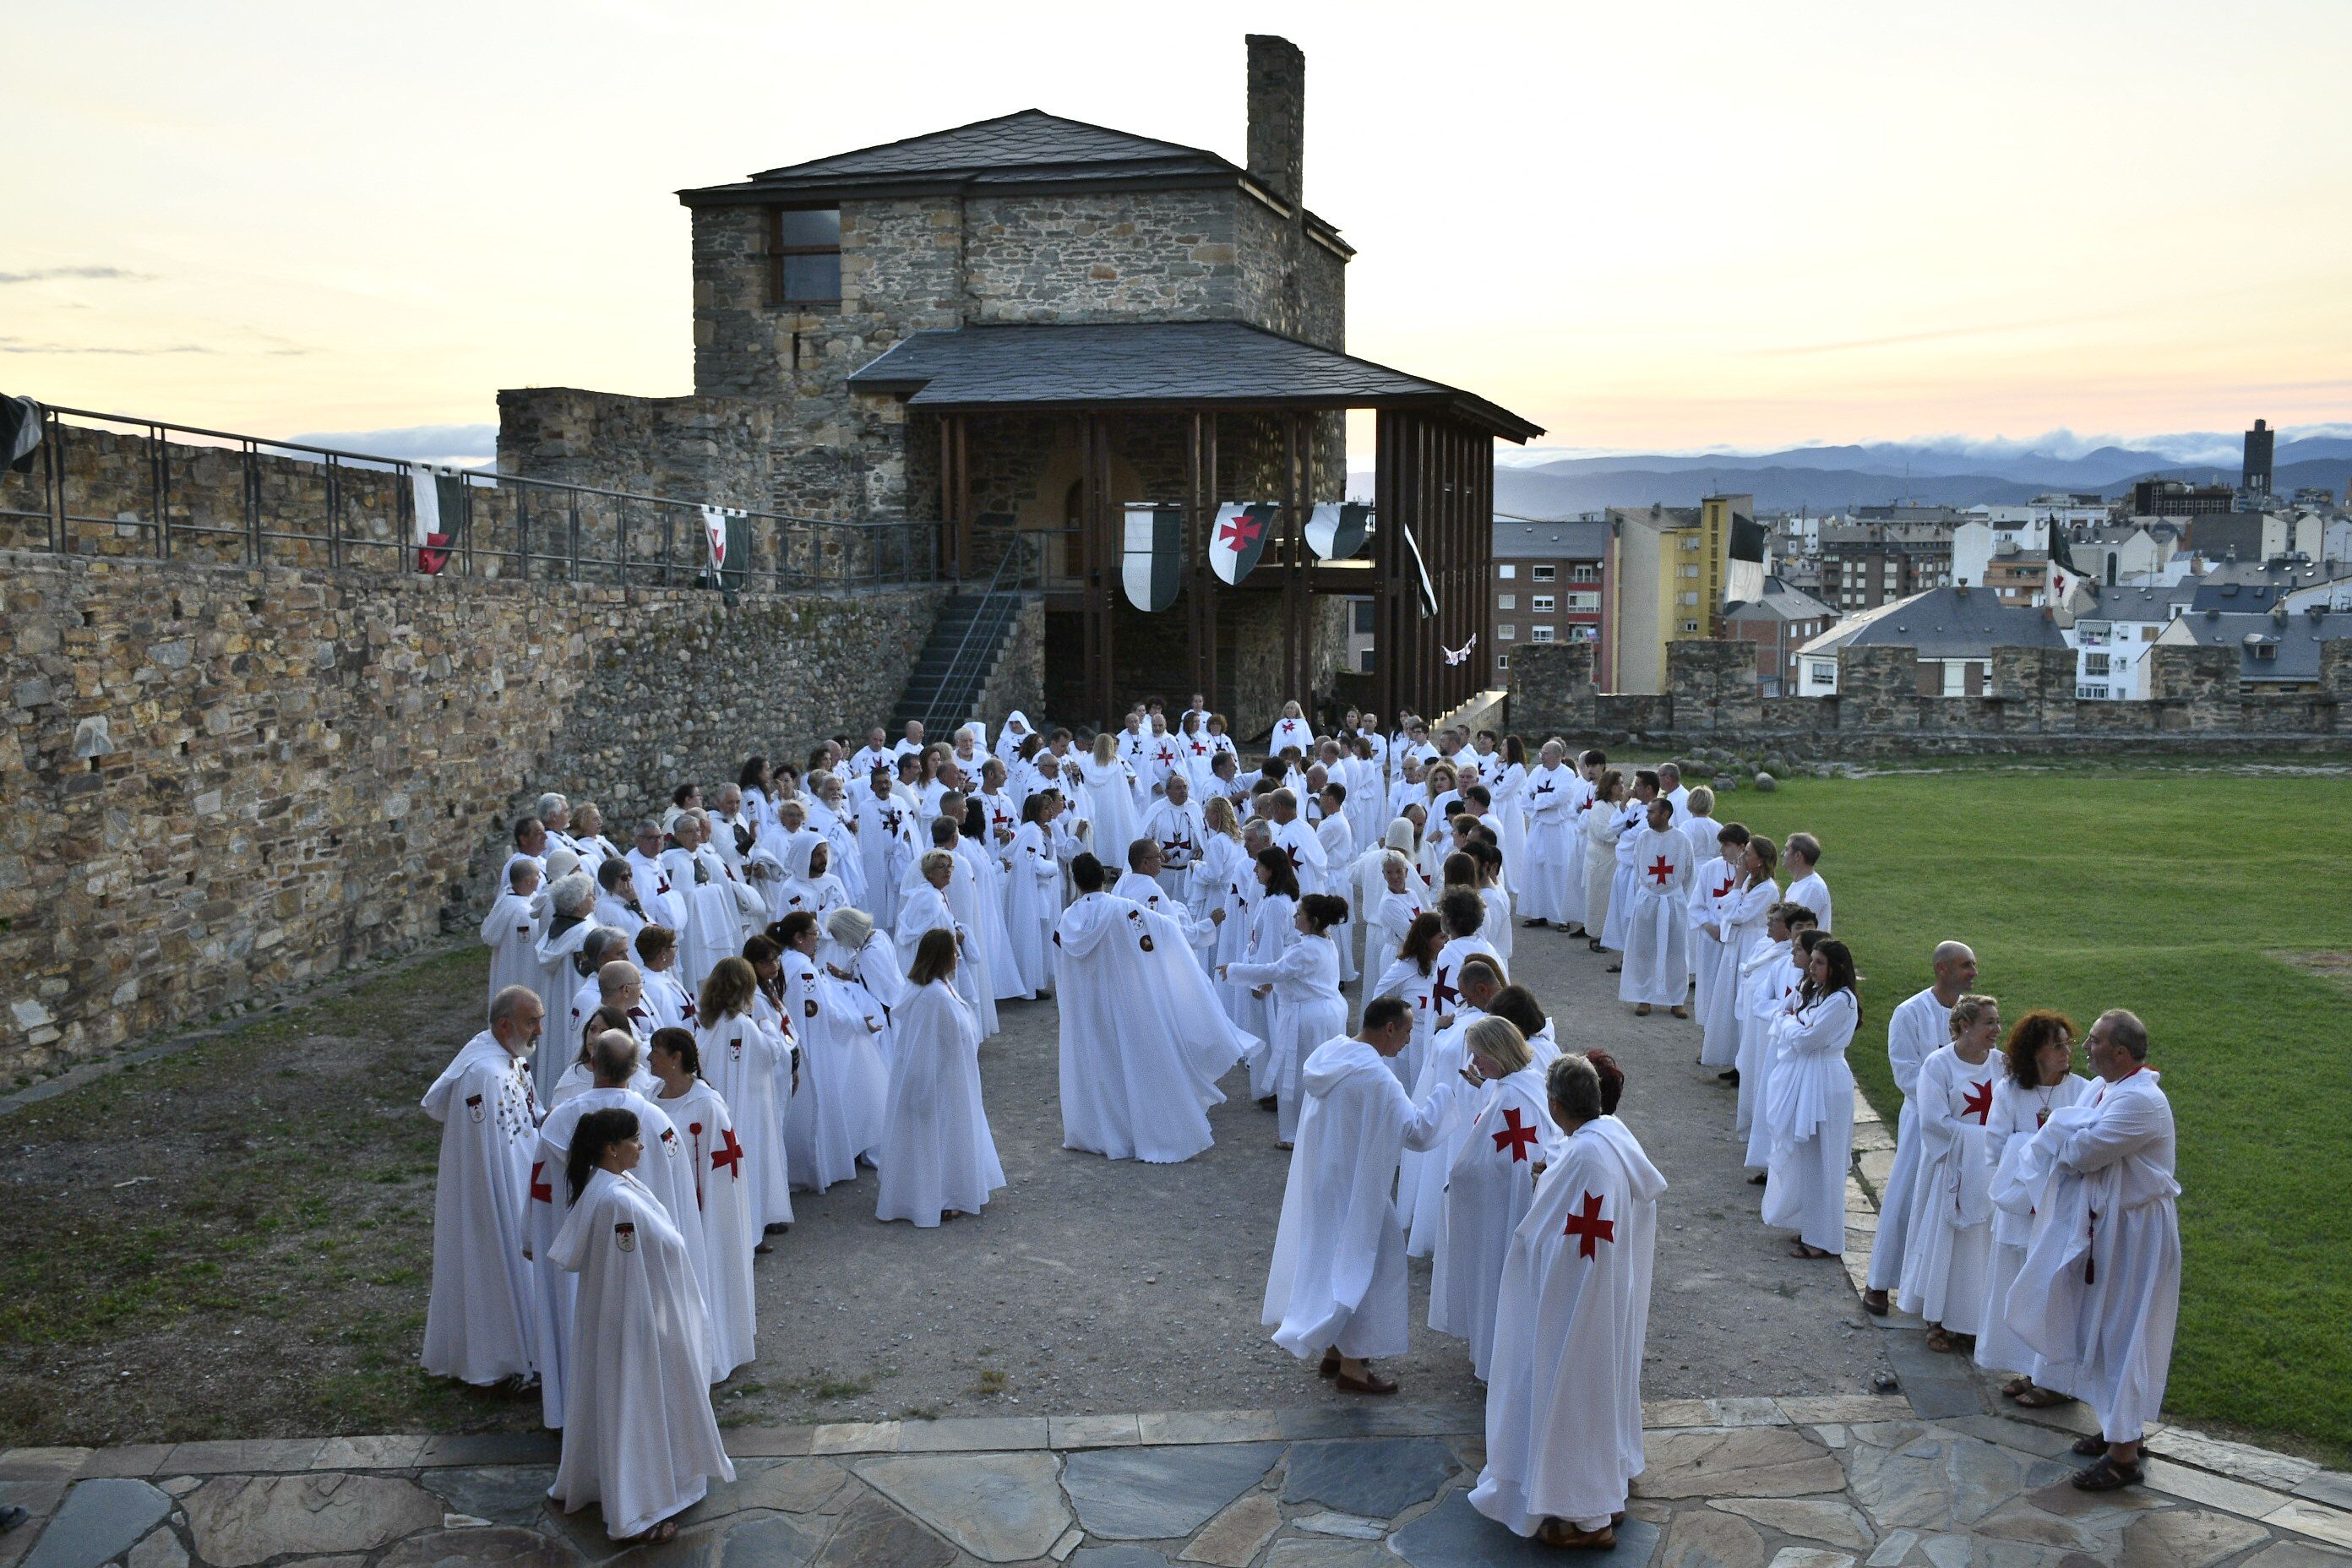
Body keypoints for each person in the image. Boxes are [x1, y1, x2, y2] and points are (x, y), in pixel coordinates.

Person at [1469, 1053, 1665, 1551]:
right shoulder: (1613, 1140)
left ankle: (1587, 1519)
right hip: (1600, 1294)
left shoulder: (1581, 1158)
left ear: (1556, 1107)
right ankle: (1602, 1497)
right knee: (1595, 1399)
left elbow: (1542, 1235)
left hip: (1573, 1302)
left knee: (1570, 1401)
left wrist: (1541, 1184)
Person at [545, 1108, 736, 1544]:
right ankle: (634, 1510)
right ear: (613, 1149)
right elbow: (627, 1269)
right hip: (633, 1320)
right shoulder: (616, 1202)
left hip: (630, 1316)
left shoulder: (614, 1186)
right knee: (633, 1406)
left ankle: (618, 1484)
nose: (642, 1145)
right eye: (635, 1139)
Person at [1260, 997, 1452, 1395]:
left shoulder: (1329, 1054)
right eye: (1407, 1030)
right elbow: (1418, 1131)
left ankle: (1333, 1348)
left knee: (1333, 1259)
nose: (1407, 1040)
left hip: (1325, 1179)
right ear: (1389, 1029)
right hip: (1358, 1187)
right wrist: (1449, 1092)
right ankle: (1353, 1366)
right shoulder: (1377, 1078)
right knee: (1369, 1265)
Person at [528, 1030, 701, 1429]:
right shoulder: (656, 1120)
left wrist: (530, 1236)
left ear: (594, 1061)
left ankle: (579, 1414)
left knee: (585, 1331)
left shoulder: (560, 1121)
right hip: (642, 1255)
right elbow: (679, 1191)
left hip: (577, 1256)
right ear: (635, 1067)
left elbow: (539, 1187)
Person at [1052, 854, 1233, 1163]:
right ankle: (1132, 1129)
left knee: (1098, 1063)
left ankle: (1097, 1131)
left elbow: (1061, 959)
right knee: (1130, 1062)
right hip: (1124, 1000)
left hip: (1088, 1003)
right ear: (1104, 878)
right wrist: (1190, 920)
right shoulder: (1127, 910)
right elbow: (1161, 938)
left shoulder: (1067, 921)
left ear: (1078, 883)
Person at [422, 985, 544, 1389]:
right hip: (497, 1193)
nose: (540, 1031)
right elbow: (485, 1152)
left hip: (517, 1180)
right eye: (532, 1022)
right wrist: (502, 1201)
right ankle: (501, 1356)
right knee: (494, 1265)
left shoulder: (506, 1058)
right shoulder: (483, 1076)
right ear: (505, 1024)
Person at [1428, 1016, 1560, 1380]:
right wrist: (1485, 1084)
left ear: (1499, 1053)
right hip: (1519, 1201)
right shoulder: (1530, 1083)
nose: (1475, 1064)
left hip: (1500, 1208)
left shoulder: (1508, 1097)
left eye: (1480, 1056)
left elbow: (1481, 1162)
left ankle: (1493, 1366)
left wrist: (1456, 1181)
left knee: (1494, 1282)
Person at [1976, 1009, 2088, 1401]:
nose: (2065, 1052)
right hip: (2021, 1208)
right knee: (2019, 1285)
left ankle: (2055, 1380)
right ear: (2034, 1051)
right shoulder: (2010, 1091)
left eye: (2067, 1044)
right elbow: (1994, 1148)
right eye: (2056, 1045)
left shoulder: (2082, 1091)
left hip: (2062, 1209)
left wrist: (2041, 1153)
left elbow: (2087, 1148)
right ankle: (2028, 1368)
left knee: (2053, 1289)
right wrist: (2032, 1152)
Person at [1863, 940, 1979, 1316]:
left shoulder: (1974, 1017)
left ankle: (1936, 1292)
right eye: (1966, 966)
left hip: (1964, 1126)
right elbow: (1906, 1072)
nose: (1974, 973)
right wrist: (1943, 1106)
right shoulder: (1910, 1013)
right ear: (1942, 969)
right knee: (1904, 1195)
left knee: (1950, 1202)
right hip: (1922, 1123)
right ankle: (1879, 1281)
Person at [645, 1026, 758, 1380]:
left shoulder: (707, 1106)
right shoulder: (650, 1098)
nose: (649, 1057)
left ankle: (712, 1355)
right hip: (663, 1208)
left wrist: (710, 1218)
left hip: (699, 1213)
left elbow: (725, 1165)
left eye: (656, 1051)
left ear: (676, 1058)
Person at [875, 928, 1006, 1227]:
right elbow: (926, 1046)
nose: (958, 957)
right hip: (940, 1083)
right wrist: (924, 1090)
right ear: (942, 956)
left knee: (948, 1136)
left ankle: (951, 1192)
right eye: (953, 952)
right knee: (942, 1137)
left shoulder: (938, 987)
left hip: (952, 1077)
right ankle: (944, 1196)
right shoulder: (934, 996)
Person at [1897, 994, 2004, 1352]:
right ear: (1964, 1026)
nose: (1997, 1029)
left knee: (1981, 1246)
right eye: (1989, 1022)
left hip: (1990, 1170)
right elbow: (1934, 1122)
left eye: (1997, 1021)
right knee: (1942, 1241)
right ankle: (1936, 1320)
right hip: (1949, 1168)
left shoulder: (2002, 1065)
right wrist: (1981, 1142)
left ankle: (1971, 1320)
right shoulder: (1938, 1065)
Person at [1223, 892, 1350, 1150]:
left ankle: (1297, 1134)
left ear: (1312, 920)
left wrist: (1234, 970)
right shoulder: (1325, 942)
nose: (1295, 916)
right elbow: (1292, 976)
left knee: (1299, 1072)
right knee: (1321, 1070)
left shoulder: (1305, 949)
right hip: (1326, 1012)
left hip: (1308, 1016)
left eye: (1299, 913)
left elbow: (1275, 970)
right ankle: (1316, 1129)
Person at [1761, 938, 1859, 1259]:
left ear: (1836, 967)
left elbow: (1808, 1039)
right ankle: (1809, 1225)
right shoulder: (1816, 991)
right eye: (1812, 960)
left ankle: (1823, 1239)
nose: (1812, 967)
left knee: (1825, 1159)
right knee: (1808, 1157)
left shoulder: (1842, 1001)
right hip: (1809, 1077)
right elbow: (1786, 1015)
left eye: (1819, 962)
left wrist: (1792, 1022)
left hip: (1828, 1083)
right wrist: (1795, 1021)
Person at [693, 957, 794, 1239]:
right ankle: (752, 1231)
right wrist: (769, 1027)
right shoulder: (743, 1024)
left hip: (723, 1104)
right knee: (752, 1165)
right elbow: (771, 1056)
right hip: (750, 1107)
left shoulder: (708, 1022)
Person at [1617, 797, 1694, 1018]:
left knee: (1677, 950)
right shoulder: (1643, 837)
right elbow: (1638, 870)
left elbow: (1689, 872)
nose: (1647, 816)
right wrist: (1644, 895)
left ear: (1665, 815)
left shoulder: (1681, 839)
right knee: (1644, 948)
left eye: (1651, 812)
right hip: (1648, 898)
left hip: (1672, 900)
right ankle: (1645, 996)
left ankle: (1676, 999)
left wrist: (1676, 896)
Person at [1004, 793, 1064, 997]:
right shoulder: (1031, 833)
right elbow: (1032, 863)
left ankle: (1035, 981)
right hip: (1033, 893)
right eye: (1046, 808)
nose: (1050, 811)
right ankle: (1029, 985)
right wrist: (1054, 868)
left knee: (1039, 937)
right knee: (1032, 936)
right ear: (1035, 811)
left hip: (1040, 892)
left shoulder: (1037, 831)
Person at [482, 860, 546, 1017]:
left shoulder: (516, 896)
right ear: (528, 881)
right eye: (538, 875)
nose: (540, 878)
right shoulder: (519, 910)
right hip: (521, 966)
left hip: (516, 961)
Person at [1579, 769, 1625, 953]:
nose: (1622, 786)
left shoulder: (1616, 806)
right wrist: (1625, 836)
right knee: (1598, 898)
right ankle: (1596, 936)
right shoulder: (1599, 807)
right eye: (1618, 784)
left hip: (1613, 858)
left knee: (1610, 899)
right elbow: (1604, 832)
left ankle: (1610, 935)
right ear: (1609, 786)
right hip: (1600, 857)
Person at [1784, 832, 1832, 932]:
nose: (1782, 854)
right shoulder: (1798, 883)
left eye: (1786, 849)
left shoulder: (1813, 888)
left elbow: (1800, 927)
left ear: (1797, 855)